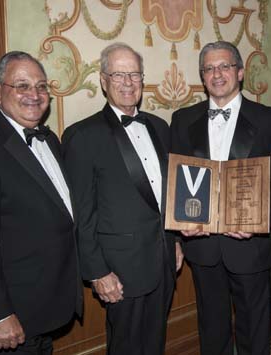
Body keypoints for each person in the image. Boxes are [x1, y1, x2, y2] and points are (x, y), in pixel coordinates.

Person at [0, 51, 83, 354]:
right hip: (8, 316)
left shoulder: (50, 140)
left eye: (40, 86)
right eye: (21, 86)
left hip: (42, 309)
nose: (34, 95)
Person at [62, 42, 183, 355]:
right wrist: (98, 271)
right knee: (126, 346)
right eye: (119, 75)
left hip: (164, 259)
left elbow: (164, 195)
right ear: (103, 80)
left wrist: (176, 241)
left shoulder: (160, 126)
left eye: (135, 75)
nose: (128, 82)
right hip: (120, 268)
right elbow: (82, 214)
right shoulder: (82, 136)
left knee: (155, 341)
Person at [170, 41, 271, 355]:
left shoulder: (270, 120)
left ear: (240, 72)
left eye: (225, 66)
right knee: (212, 327)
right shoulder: (182, 120)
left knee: (254, 328)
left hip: (250, 246)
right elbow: (175, 181)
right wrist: (180, 228)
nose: (217, 74)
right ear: (202, 76)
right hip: (203, 247)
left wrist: (261, 219)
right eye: (209, 68)